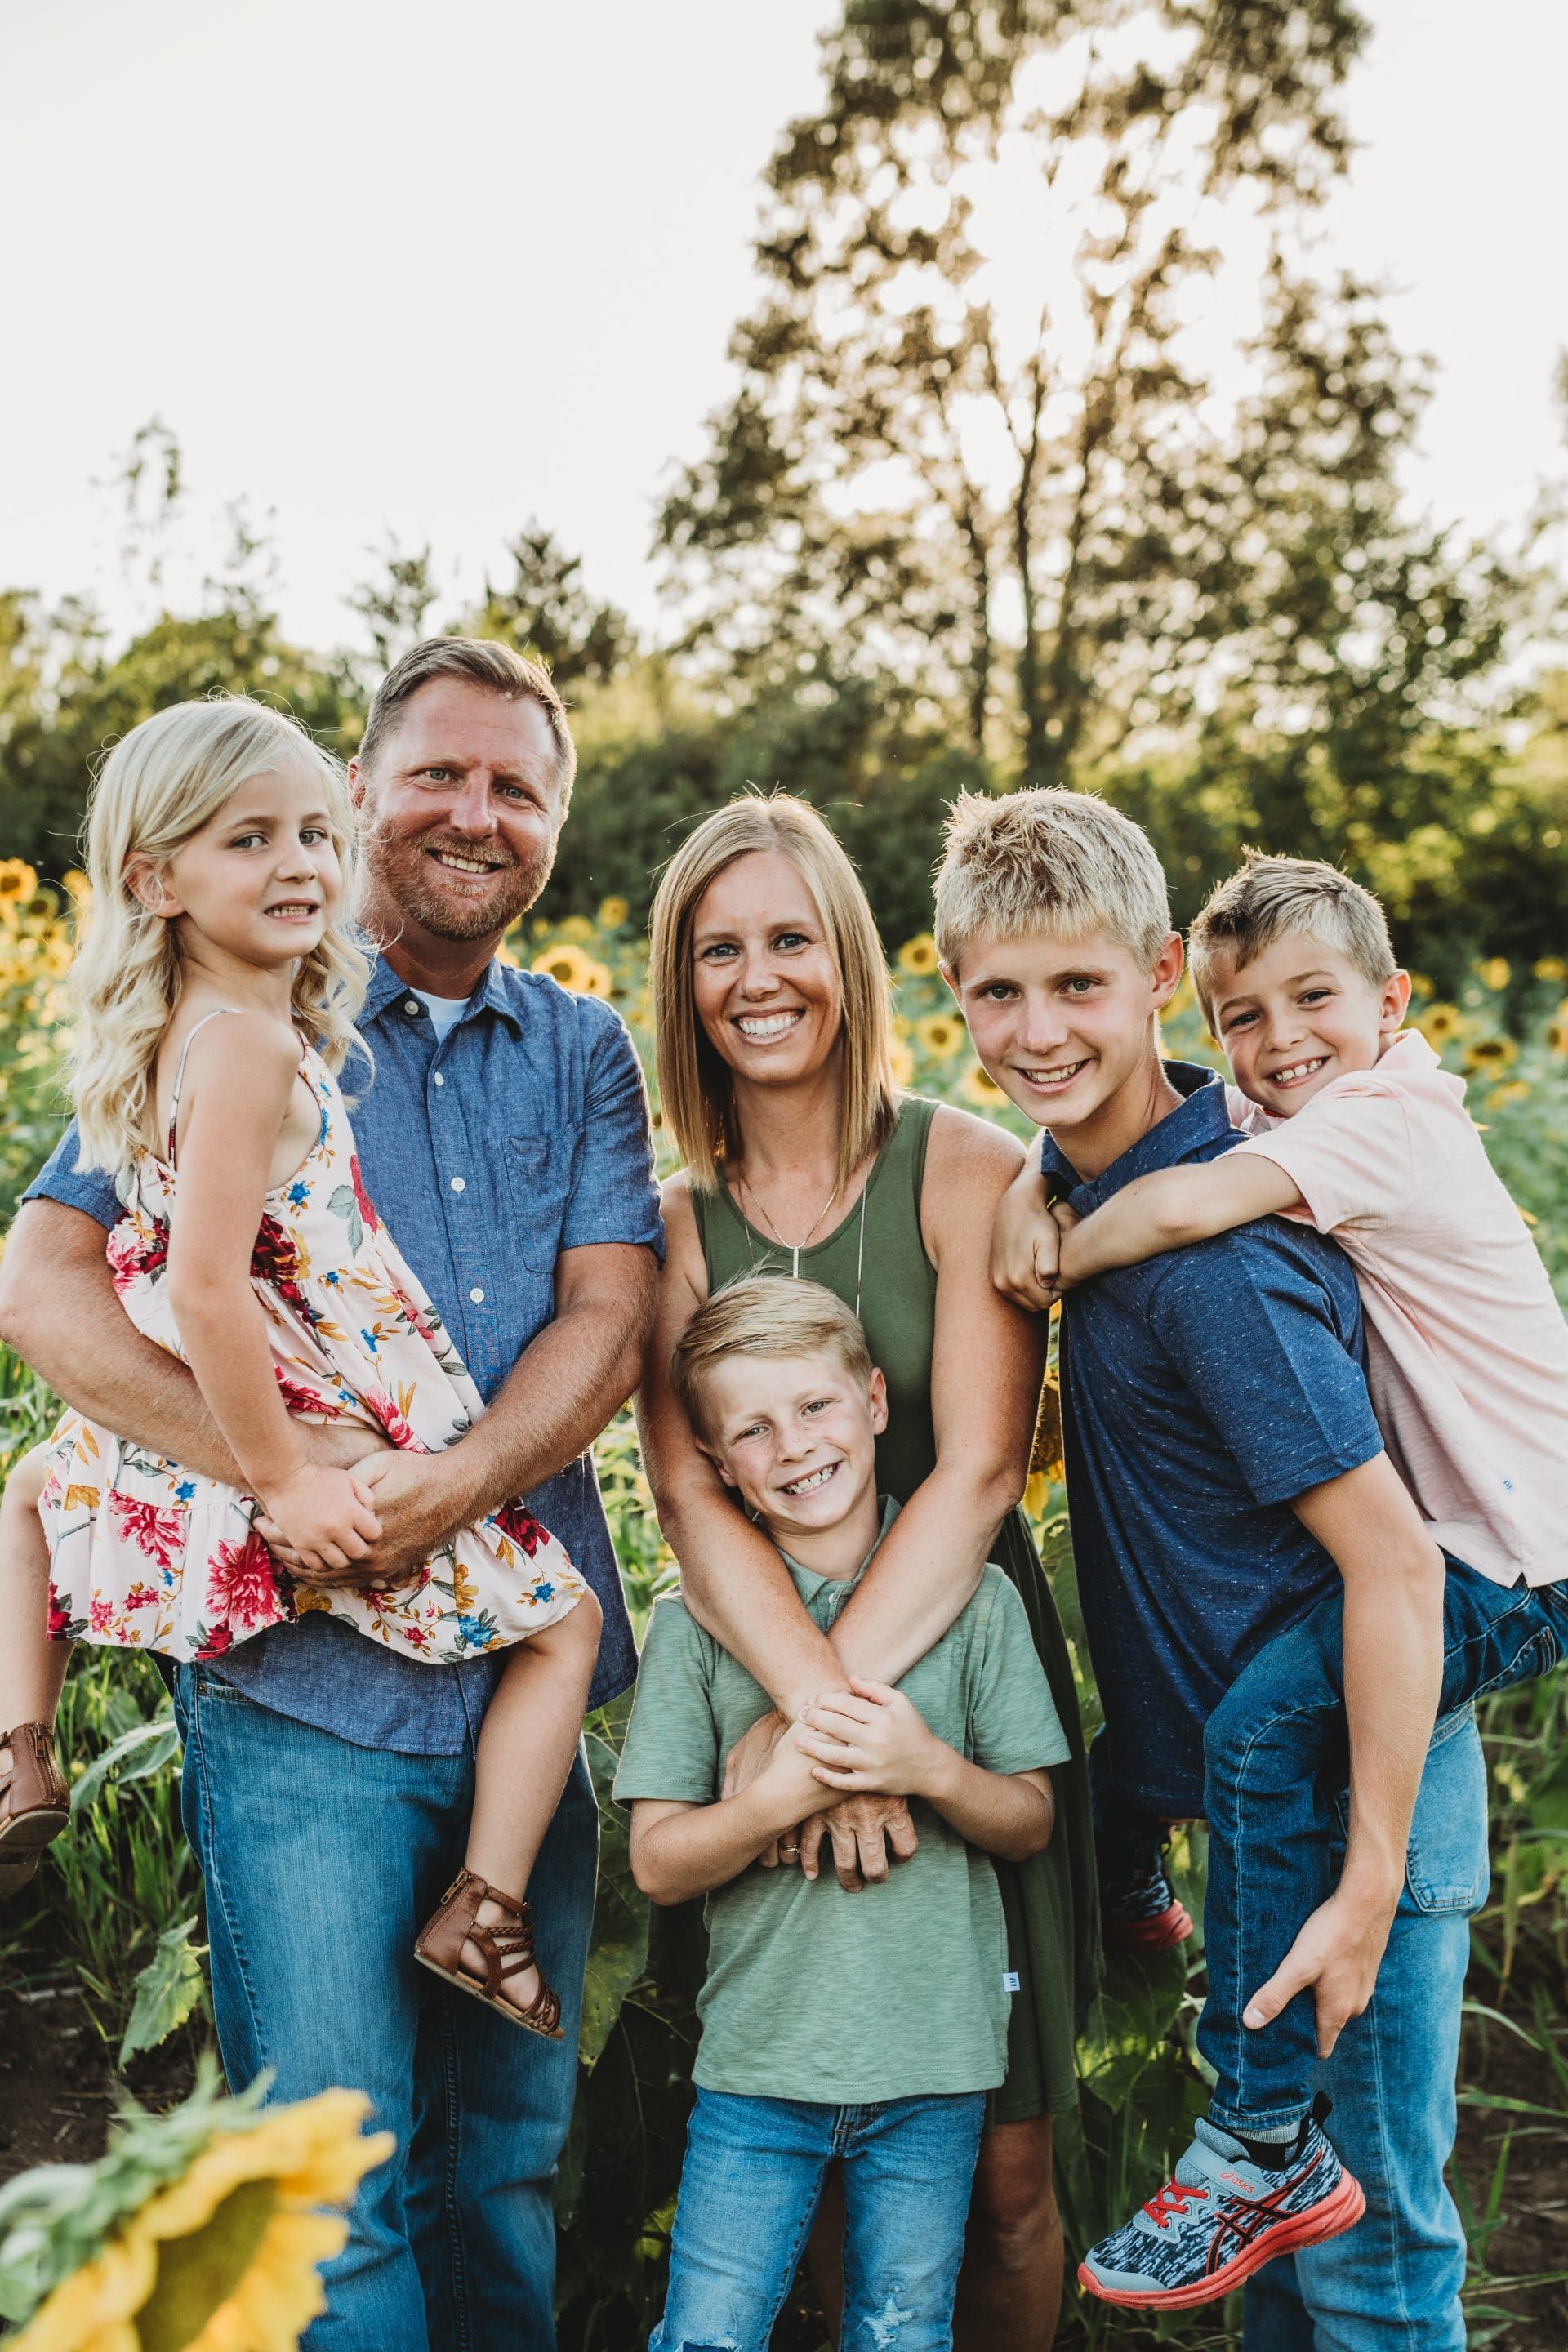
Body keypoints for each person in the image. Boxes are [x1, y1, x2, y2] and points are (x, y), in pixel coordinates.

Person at [0, 639, 662, 2352]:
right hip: (299, 1686)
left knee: (505, 2160)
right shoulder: (250, 1013)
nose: (475, 811)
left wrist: (446, 1488)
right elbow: (52, 1287)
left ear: (555, 826)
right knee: (330, 2180)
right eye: (436, 772)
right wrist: (296, 1483)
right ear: (364, 788)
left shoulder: (584, 1049)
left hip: (516, 1630)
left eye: (517, 786)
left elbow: (611, 1314)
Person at [939, 786, 1487, 2345]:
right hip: (1278, 1797)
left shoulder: (1217, 1254)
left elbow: (1392, 1569)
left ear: (1159, 974)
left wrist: (1370, 1881)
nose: (1037, 1031)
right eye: (998, 991)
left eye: (1079, 987)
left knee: (1373, 2272)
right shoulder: (1111, 1191)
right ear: (954, 993)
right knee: (1292, 2286)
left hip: (1352, 1807)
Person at [637, 795, 1098, 2350]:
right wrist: (815, 1735)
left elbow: (974, 1469)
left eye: (789, 937)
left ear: (845, 953)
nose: (758, 977)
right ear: (681, 984)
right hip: (759, 1665)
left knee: (1010, 2173)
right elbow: (692, 1501)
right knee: (833, 2170)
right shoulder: (674, 1227)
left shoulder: (966, 1171)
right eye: (719, 950)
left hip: (959, 1676)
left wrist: (849, 1735)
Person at [617, 1276, 1067, 2352]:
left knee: (902, 2329)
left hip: (936, 2066)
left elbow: (1030, 1821)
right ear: (718, 1465)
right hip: (759, 2069)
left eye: (816, 1408)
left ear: (873, 1401)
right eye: (753, 1430)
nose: (795, 1447)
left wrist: (926, 1767)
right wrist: (771, 1800)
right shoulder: (696, 1628)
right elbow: (658, 1865)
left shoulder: (977, 1600)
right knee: (709, 2331)